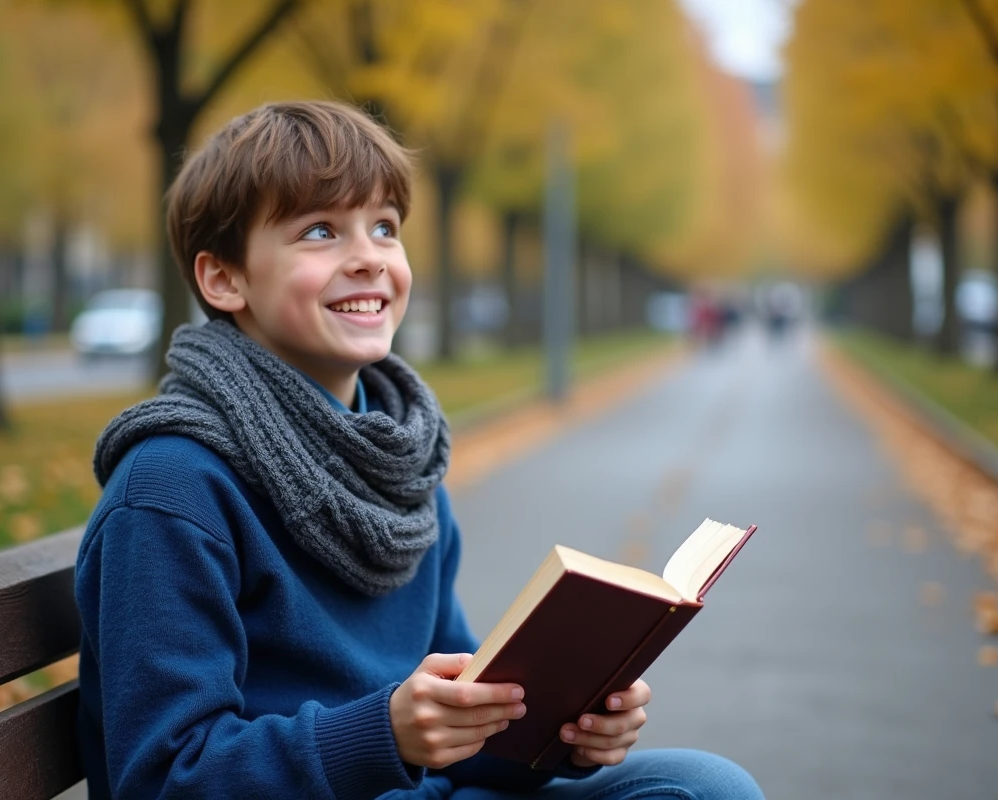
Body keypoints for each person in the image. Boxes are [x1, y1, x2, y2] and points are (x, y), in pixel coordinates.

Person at [74, 100, 764, 800]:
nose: (369, 258)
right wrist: (382, 736)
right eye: (320, 231)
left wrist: (563, 736)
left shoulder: (401, 462)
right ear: (224, 279)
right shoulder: (171, 488)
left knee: (703, 788)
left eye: (384, 228)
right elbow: (161, 779)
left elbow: (457, 727)